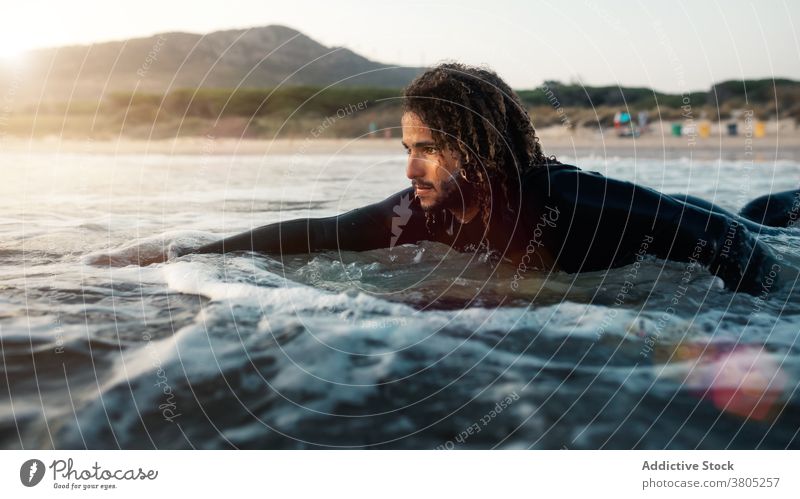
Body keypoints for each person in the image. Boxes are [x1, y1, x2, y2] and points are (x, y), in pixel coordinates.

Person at [185, 63, 797, 297]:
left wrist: (756, 320)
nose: (408, 169)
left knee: (764, 215)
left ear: (476, 149)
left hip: (722, 223)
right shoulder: (419, 211)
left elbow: (729, 241)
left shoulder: (572, 201)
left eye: (427, 150)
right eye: (407, 149)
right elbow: (319, 233)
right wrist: (183, 253)